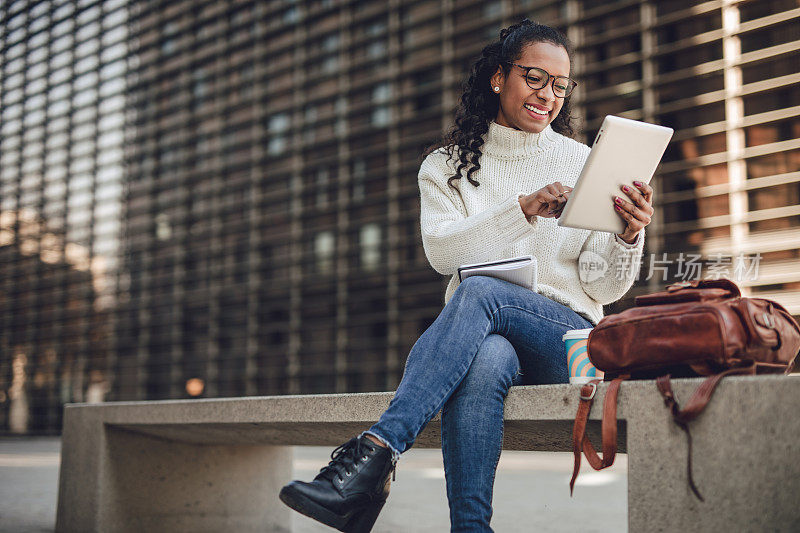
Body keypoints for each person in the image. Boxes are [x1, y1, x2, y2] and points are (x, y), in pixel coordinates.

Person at [279, 18, 651, 532]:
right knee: (484, 359)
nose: (549, 95)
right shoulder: (445, 167)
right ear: (499, 77)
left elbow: (601, 286)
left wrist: (627, 237)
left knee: (481, 291)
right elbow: (442, 252)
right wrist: (519, 210)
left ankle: (376, 453)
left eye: (561, 86)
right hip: (486, 337)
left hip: (572, 344)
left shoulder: (583, 161)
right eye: (535, 78)